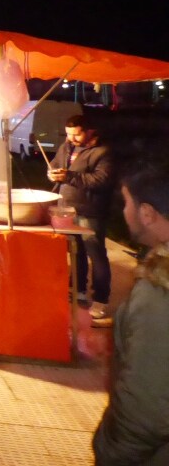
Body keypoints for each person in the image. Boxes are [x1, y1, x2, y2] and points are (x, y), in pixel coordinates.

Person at [93, 150, 169, 465]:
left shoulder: (159, 292)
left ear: (147, 213)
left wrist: (109, 452)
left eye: (126, 202)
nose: (124, 212)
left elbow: (148, 408)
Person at [48, 113, 115, 323]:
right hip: (67, 207)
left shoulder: (103, 151)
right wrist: (52, 173)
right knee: (75, 251)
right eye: (68, 135)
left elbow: (101, 180)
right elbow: (54, 164)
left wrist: (69, 176)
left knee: (95, 254)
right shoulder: (67, 146)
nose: (71, 139)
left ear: (89, 131)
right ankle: (78, 290)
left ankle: (101, 299)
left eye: (76, 135)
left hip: (90, 210)